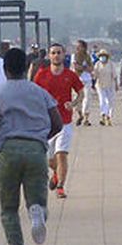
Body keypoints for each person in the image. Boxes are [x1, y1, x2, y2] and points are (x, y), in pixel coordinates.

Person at [0, 47, 61, 245]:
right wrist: (39, 137)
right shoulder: (40, 92)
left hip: (8, 150)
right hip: (35, 150)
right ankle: (37, 211)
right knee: (38, 201)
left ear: (5, 69)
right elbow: (57, 123)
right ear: (26, 68)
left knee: (8, 209)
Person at [34, 42, 84, 199]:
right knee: (50, 160)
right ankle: (56, 173)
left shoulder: (70, 75)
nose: (56, 55)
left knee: (61, 154)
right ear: (49, 56)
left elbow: (81, 92)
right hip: (46, 123)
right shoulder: (41, 75)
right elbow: (34, 94)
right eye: (53, 53)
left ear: (64, 55)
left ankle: (61, 186)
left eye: (59, 52)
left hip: (65, 122)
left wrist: (73, 103)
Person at [93, 49, 118, 125]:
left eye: (104, 56)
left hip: (110, 85)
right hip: (100, 85)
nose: (102, 57)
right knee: (102, 100)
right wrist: (93, 84)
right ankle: (103, 115)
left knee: (110, 102)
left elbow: (114, 75)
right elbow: (95, 75)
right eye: (101, 56)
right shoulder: (97, 64)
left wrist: (116, 85)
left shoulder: (111, 64)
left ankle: (109, 116)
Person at [72, 40, 94, 126]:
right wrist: (85, 68)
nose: (77, 48)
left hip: (87, 80)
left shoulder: (88, 57)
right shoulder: (74, 56)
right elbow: (76, 67)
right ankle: (80, 115)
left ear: (84, 48)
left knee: (87, 98)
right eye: (77, 46)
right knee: (78, 98)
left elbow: (91, 68)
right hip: (78, 79)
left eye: (80, 46)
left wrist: (84, 68)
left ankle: (86, 118)